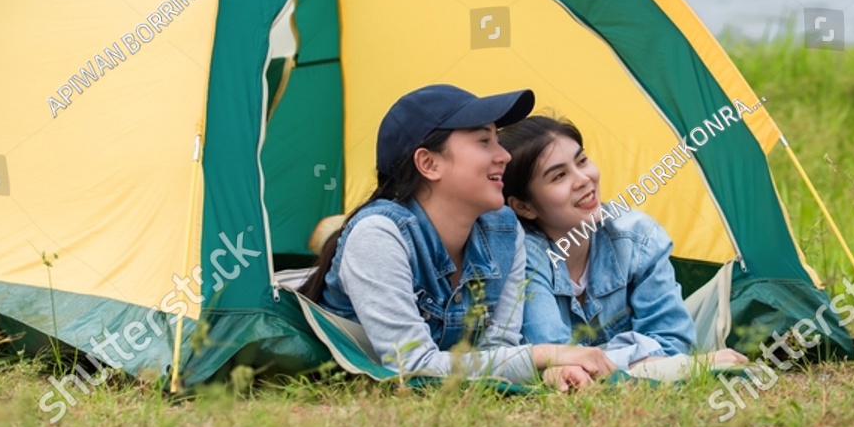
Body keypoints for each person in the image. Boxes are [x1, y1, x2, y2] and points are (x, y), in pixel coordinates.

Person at [300, 84, 617, 388]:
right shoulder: (379, 237)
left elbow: (497, 348)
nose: (504, 155)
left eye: (497, 139)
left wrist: (548, 371)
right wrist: (543, 354)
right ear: (429, 163)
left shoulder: (505, 232)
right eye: (484, 141)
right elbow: (410, 366)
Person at [498, 114, 746, 389]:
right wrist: (645, 361)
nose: (583, 179)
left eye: (581, 161)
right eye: (559, 176)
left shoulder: (638, 237)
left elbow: (674, 342)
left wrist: (599, 364)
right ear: (523, 207)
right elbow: (557, 356)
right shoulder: (523, 257)